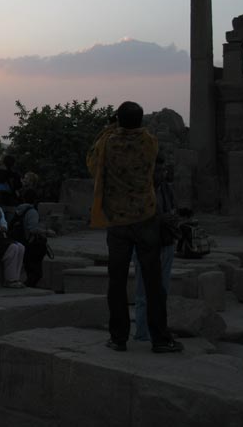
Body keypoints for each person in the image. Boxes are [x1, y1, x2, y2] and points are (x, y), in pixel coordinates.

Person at [87, 101, 183, 353]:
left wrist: (108, 128)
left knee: (116, 282)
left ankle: (118, 338)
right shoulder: (150, 142)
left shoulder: (107, 143)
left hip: (118, 221)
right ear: (140, 121)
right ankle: (160, 338)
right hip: (145, 217)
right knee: (153, 282)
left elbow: (91, 162)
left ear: (118, 120)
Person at [133, 156, 177, 341]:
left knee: (162, 290)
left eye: (163, 170)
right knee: (143, 292)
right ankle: (142, 332)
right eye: (158, 171)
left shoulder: (167, 189)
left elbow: (173, 209)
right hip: (145, 245)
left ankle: (159, 330)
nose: (162, 174)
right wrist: (160, 219)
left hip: (166, 243)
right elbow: (136, 218)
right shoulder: (140, 191)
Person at [14, 188, 55, 287]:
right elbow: (32, 229)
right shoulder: (32, 212)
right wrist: (47, 232)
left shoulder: (19, 210)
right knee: (36, 273)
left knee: (30, 271)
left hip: (21, 242)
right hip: (30, 244)